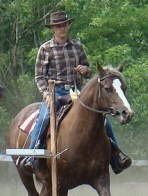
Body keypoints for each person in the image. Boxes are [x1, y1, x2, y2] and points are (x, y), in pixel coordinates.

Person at [21, 11, 131, 174]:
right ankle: (31, 155)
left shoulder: (77, 46)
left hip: (75, 92)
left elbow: (87, 68)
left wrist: (84, 70)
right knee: (44, 117)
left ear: (68, 25)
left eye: (64, 25)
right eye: (58, 26)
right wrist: (46, 94)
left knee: (101, 117)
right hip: (55, 92)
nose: (62, 28)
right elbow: (39, 76)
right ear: (53, 28)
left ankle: (115, 154)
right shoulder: (45, 49)